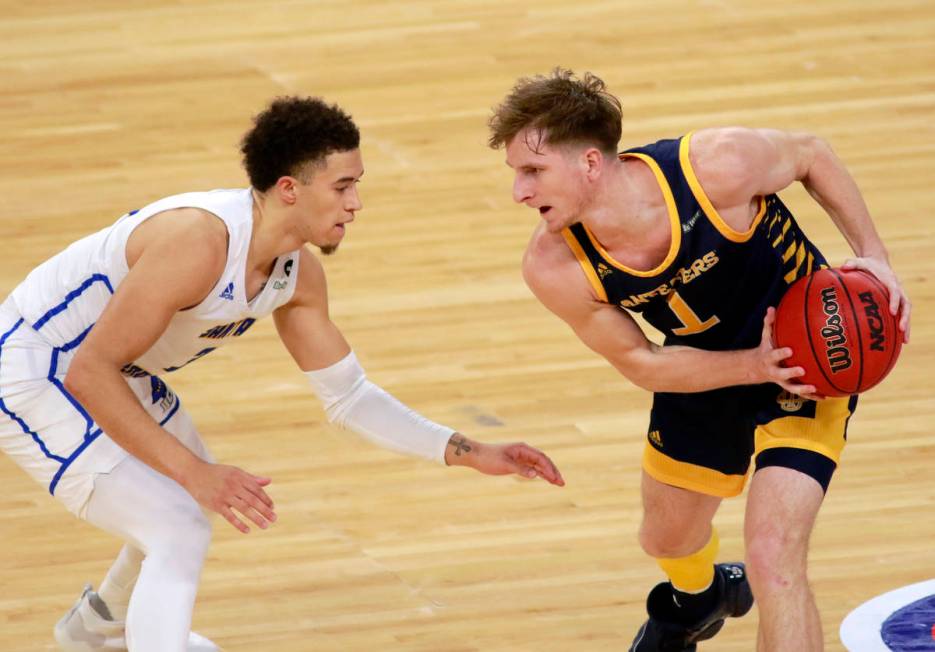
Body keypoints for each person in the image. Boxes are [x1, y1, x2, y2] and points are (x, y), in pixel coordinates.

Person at [0, 96, 565, 652]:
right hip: (36, 366)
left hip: (111, 365)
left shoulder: (297, 275)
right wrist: (196, 471)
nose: (356, 203)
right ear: (290, 189)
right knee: (179, 523)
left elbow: (349, 399)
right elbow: (88, 372)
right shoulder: (198, 242)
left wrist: (470, 451)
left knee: (186, 507)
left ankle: (100, 629)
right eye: (343, 186)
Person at [487, 69, 910, 651]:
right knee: (665, 538)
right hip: (704, 372)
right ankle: (700, 598)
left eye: (532, 172)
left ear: (589, 163)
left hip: (809, 361)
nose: (519, 193)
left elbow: (813, 154)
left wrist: (874, 258)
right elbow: (641, 362)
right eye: (517, 174)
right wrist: (753, 366)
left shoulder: (716, 167)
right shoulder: (555, 266)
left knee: (773, 555)